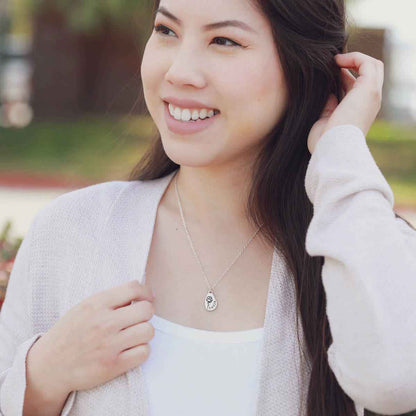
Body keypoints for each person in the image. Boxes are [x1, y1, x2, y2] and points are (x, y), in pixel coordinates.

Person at [1, 0, 416, 415]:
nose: (179, 71)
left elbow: (394, 382)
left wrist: (339, 148)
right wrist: (44, 375)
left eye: (224, 40)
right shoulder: (72, 231)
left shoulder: (358, 246)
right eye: (166, 30)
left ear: (303, 68)